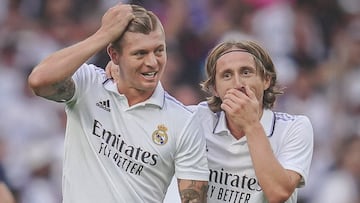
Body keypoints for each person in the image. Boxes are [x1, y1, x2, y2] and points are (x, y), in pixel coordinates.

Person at [27, 3, 208, 203]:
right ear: (114, 55)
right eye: (140, 53)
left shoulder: (184, 121)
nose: (152, 62)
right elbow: (39, 81)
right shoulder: (90, 84)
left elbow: (194, 200)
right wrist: (103, 34)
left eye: (159, 51)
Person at [108, 39, 314, 203]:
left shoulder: (294, 128)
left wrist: (251, 125)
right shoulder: (194, 119)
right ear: (215, 89)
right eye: (226, 75)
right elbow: (143, 113)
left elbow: (278, 193)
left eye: (246, 72)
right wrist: (126, 73)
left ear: (266, 80)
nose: (238, 83)